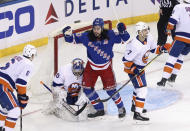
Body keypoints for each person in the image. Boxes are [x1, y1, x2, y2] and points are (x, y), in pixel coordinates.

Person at [62, 18, 130, 118]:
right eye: (94, 28)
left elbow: (125, 39)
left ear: (102, 28)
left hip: (106, 67)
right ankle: (99, 109)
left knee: (110, 90)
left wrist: (123, 31)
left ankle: (121, 108)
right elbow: (70, 39)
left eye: (98, 28)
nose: (96, 30)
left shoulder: (110, 34)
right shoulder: (86, 36)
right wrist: (67, 33)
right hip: (91, 67)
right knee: (87, 89)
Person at [122, 21, 170, 122]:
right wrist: (134, 69)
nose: (146, 31)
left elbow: (153, 49)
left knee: (137, 88)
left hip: (141, 68)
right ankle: (137, 113)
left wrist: (162, 48)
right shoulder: (133, 45)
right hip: (133, 69)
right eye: (144, 30)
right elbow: (126, 60)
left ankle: (134, 107)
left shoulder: (150, 37)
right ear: (139, 32)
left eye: (146, 29)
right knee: (142, 90)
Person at [0, 44, 37, 131]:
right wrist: (22, 96)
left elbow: (14, 77)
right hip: (2, 85)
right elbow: (20, 82)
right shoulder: (29, 64)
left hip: (2, 82)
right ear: (31, 55)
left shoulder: (18, 57)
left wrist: (20, 94)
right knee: (15, 110)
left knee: (6, 108)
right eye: (33, 55)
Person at [157, 0, 190, 86]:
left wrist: (168, 29)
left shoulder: (179, 6)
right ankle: (173, 77)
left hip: (180, 38)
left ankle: (164, 79)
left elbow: (172, 20)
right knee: (181, 56)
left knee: (172, 57)